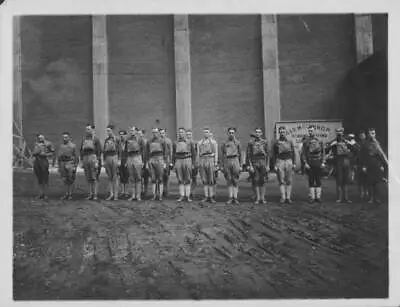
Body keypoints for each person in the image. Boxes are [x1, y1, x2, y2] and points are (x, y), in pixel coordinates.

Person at [326, 128, 354, 203]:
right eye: (338, 133)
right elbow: (326, 149)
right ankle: (339, 198)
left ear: (343, 133)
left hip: (346, 161)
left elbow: (355, 149)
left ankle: (346, 198)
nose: (340, 135)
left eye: (341, 133)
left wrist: (351, 145)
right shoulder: (334, 142)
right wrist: (331, 145)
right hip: (338, 162)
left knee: (345, 180)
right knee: (339, 180)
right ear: (336, 134)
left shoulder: (346, 141)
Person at [359, 128, 385, 204]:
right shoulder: (365, 144)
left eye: (373, 133)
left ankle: (377, 198)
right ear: (368, 135)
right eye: (371, 133)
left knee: (376, 182)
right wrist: (364, 166)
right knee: (370, 182)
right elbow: (363, 156)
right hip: (368, 164)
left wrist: (381, 165)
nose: (372, 135)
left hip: (377, 164)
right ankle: (371, 198)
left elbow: (381, 156)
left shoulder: (378, 143)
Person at [301, 125, 326, 203]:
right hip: (310, 163)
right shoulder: (306, 142)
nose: (310, 132)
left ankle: (318, 197)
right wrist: (305, 163)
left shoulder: (319, 141)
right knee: (311, 180)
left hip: (318, 162)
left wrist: (323, 162)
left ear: (314, 131)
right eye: (309, 131)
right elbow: (303, 153)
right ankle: (312, 197)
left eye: (312, 130)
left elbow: (323, 152)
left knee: (318, 180)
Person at [173, 127, 197, 202]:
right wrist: (174, 163)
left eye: (182, 132)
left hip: (187, 159)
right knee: (180, 178)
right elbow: (173, 153)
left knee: (187, 178)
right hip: (178, 160)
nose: (181, 133)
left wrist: (193, 163)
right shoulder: (175, 142)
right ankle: (182, 195)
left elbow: (194, 153)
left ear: (185, 133)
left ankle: (187, 196)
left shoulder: (190, 142)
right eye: (179, 132)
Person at [272, 126, 295, 204]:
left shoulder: (290, 141)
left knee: (289, 180)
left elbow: (293, 153)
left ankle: (288, 197)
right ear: (279, 133)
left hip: (288, 161)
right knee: (281, 180)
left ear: (286, 132)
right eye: (281, 132)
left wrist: (294, 163)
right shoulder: (276, 142)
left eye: (283, 132)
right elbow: (274, 154)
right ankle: (283, 197)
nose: (282, 133)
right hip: (280, 161)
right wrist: (275, 164)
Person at [246, 128, 269, 204]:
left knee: (263, 180)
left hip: (263, 161)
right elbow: (248, 154)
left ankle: (262, 198)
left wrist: (267, 165)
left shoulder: (264, 142)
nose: (257, 133)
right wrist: (250, 165)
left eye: (259, 132)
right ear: (255, 133)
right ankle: (258, 197)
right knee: (255, 180)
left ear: (261, 133)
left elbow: (268, 154)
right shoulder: (251, 143)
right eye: (256, 132)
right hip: (254, 161)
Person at [80, 124, 102, 200]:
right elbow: (81, 150)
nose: (87, 131)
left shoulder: (96, 139)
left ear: (93, 130)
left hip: (93, 157)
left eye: (89, 129)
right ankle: (90, 194)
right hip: (85, 157)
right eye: (86, 129)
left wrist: (97, 161)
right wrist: (82, 161)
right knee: (88, 177)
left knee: (94, 177)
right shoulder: (84, 139)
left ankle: (95, 194)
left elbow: (99, 151)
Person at [146, 127, 169, 201]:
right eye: (153, 132)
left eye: (156, 132)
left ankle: (160, 195)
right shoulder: (149, 141)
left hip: (160, 159)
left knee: (160, 178)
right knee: (153, 178)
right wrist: (147, 162)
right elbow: (147, 152)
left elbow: (166, 152)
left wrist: (165, 162)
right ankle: (154, 195)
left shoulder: (162, 141)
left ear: (158, 133)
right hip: (152, 159)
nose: (154, 134)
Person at [221, 127, 243, 204]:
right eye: (230, 132)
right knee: (229, 179)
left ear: (235, 133)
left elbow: (240, 154)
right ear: (228, 133)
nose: (231, 134)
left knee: (235, 179)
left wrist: (241, 165)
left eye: (232, 133)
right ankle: (230, 197)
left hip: (235, 160)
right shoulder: (224, 143)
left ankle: (235, 197)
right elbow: (222, 154)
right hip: (227, 160)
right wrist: (222, 165)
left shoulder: (238, 142)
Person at [125, 126, 147, 201]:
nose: (131, 132)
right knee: (131, 177)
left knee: (138, 177)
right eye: (130, 130)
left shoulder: (140, 139)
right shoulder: (128, 139)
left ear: (136, 131)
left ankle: (138, 195)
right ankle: (133, 195)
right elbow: (125, 150)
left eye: (133, 130)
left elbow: (144, 150)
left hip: (137, 157)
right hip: (130, 158)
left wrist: (144, 161)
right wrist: (126, 160)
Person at [197, 127, 218, 203]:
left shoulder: (213, 142)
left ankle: (211, 196)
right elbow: (198, 154)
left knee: (211, 179)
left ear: (209, 133)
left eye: (207, 132)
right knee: (204, 179)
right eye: (205, 132)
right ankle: (206, 196)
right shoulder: (199, 143)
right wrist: (199, 163)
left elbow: (216, 153)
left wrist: (215, 163)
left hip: (210, 160)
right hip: (202, 160)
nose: (206, 133)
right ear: (203, 133)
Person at [32, 133, 55, 199]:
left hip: (44, 160)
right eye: (39, 138)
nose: (40, 139)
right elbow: (33, 152)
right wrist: (34, 153)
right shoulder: (35, 144)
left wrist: (45, 154)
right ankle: (40, 193)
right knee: (39, 177)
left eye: (41, 137)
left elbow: (52, 152)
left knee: (45, 177)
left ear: (44, 137)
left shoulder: (48, 144)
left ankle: (45, 194)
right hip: (37, 161)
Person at [57, 132, 78, 200]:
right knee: (64, 179)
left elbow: (76, 157)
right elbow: (59, 156)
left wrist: (75, 166)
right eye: (63, 137)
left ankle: (70, 194)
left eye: (66, 137)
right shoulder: (61, 146)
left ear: (69, 138)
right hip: (62, 163)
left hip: (70, 162)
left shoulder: (73, 146)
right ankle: (66, 193)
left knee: (70, 179)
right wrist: (59, 166)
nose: (64, 139)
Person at [103, 124, 120, 201]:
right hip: (108, 158)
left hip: (114, 157)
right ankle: (111, 194)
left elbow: (120, 150)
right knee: (109, 177)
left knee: (115, 177)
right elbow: (104, 151)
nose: (108, 132)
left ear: (112, 130)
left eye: (109, 130)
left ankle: (116, 195)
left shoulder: (116, 139)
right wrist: (104, 160)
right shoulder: (106, 140)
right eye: (107, 131)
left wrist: (119, 160)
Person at [355, 130, 369, 199]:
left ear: (365, 136)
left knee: (366, 179)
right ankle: (361, 193)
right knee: (360, 179)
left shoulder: (367, 143)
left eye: (363, 135)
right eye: (360, 135)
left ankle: (366, 192)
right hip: (359, 164)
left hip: (366, 163)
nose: (362, 136)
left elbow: (367, 155)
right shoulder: (358, 144)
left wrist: (365, 165)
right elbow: (356, 154)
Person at [159, 128, 173, 197]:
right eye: (160, 133)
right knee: (160, 176)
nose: (162, 134)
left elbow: (170, 152)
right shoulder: (158, 141)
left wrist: (171, 162)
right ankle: (160, 192)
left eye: (163, 133)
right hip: (159, 160)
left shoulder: (168, 141)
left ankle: (166, 191)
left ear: (165, 133)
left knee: (166, 176)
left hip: (166, 160)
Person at [186, 129, 198, 197]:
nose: (188, 136)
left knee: (194, 178)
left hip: (194, 162)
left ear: (191, 135)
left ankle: (192, 191)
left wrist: (195, 163)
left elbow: (196, 153)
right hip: (187, 161)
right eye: (187, 134)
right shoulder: (185, 143)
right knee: (187, 177)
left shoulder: (195, 143)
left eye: (189, 134)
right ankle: (188, 191)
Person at [138, 129, 150, 198]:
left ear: (143, 134)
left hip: (145, 161)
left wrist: (146, 162)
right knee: (139, 176)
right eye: (138, 134)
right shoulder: (137, 141)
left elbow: (147, 152)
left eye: (140, 134)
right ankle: (141, 190)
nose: (139, 135)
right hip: (139, 160)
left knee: (146, 177)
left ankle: (146, 191)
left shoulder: (146, 141)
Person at [118, 130, 129, 198]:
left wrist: (127, 161)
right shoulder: (119, 143)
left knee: (126, 176)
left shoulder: (128, 143)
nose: (121, 136)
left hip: (126, 160)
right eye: (120, 134)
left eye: (123, 134)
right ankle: (122, 191)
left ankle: (127, 191)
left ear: (125, 135)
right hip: (120, 161)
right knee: (121, 176)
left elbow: (129, 153)